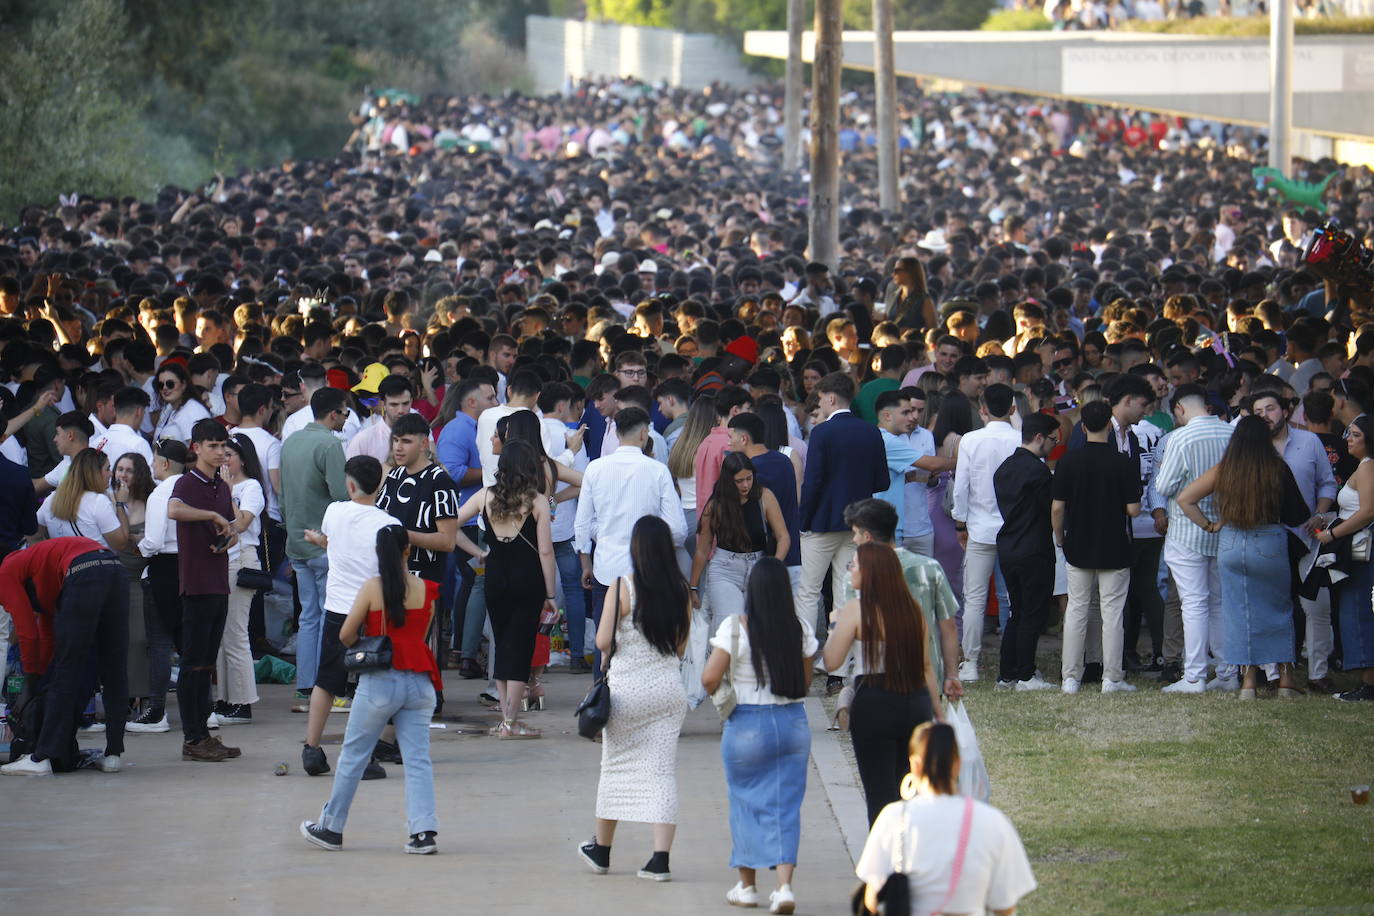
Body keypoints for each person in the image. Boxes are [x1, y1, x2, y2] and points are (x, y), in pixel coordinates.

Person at [300, 525, 441, 854]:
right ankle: (423, 833)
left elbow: (345, 635)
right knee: (418, 759)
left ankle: (331, 827)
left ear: (378, 553)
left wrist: (368, 644)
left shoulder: (371, 589)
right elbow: (423, 636)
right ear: (409, 550)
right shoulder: (427, 589)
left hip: (380, 680)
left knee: (353, 755)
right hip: (420, 680)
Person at [578, 516, 691, 883]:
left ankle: (602, 851)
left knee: (615, 768)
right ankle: (660, 860)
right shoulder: (681, 590)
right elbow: (680, 647)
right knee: (660, 772)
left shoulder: (622, 587)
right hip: (667, 691)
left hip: (627, 692)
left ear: (636, 548)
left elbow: (602, 642)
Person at [701, 558, 814, 915]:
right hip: (792, 722)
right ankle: (783, 888)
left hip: (747, 722)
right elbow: (806, 682)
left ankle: (748, 887)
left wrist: (727, 698)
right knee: (786, 806)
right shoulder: (800, 629)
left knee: (744, 802)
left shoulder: (736, 628)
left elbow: (708, 678)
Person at [1178, 416, 1316, 698]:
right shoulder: (1277, 468)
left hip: (1230, 541)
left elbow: (1185, 499)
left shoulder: (1225, 469)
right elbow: (1298, 515)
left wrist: (1209, 525)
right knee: (1279, 609)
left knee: (1238, 613)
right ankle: (1286, 679)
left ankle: (1248, 683)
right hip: (1269, 543)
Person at [855, 722, 1037, 916]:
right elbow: (1005, 906)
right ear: (957, 764)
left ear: (915, 765)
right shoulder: (993, 821)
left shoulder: (893, 817)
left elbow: (872, 899)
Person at [823, 542, 941, 825]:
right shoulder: (912, 609)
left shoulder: (855, 609)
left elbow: (831, 661)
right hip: (915, 699)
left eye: (855, 564)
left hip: (875, 700)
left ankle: (887, 860)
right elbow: (926, 666)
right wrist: (938, 714)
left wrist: (834, 625)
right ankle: (912, 855)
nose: (850, 569)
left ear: (871, 573)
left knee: (880, 792)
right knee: (910, 787)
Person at [452, 440, 558, 738]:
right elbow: (546, 552)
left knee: (501, 643)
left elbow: (450, 525)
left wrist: (477, 551)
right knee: (521, 646)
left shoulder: (484, 496)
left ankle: (505, 718)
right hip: (529, 578)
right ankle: (511, 721)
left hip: (496, 574)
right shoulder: (537, 501)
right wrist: (550, 595)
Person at [300, 456, 397, 776]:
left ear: (350, 484)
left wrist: (319, 541)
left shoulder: (334, 512)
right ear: (379, 485)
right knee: (369, 685)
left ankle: (312, 749)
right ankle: (362, 755)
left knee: (326, 681)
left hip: (337, 610)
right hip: (372, 614)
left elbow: (337, 545)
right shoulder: (389, 524)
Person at [0, 537, 129, 776]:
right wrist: (39, 676)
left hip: (82, 572)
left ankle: (41, 758)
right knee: (115, 667)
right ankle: (113, 755)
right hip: (115, 568)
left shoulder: (6, 571)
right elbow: (48, 635)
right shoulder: (39, 569)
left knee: (67, 669)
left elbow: (27, 632)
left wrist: (30, 685)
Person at [574, 407, 686, 664]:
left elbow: (582, 524)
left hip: (606, 568)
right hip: (650, 571)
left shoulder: (595, 469)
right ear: (644, 433)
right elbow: (678, 529)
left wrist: (588, 560)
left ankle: (602, 698)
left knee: (606, 643)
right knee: (649, 642)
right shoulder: (657, 470)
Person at [1052, 400, 1143, 694]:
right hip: (1115, 545)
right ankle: (1112, 678)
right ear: (1109, 425)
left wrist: (1059, 536)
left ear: (1082, 426)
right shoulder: (1123, 463)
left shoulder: (1068, 461)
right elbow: (1133, 510)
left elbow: (1057, 508)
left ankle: (1070, 678)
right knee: (1112, 613)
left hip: (1077, 543)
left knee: (1077, 610)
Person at [1154, 386, 1236, 694]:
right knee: (1217, 602)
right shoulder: (1230, 434)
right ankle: (1227, 671)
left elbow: (1163, 484)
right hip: (1224, 526)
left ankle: (1195, 675)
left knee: (1193, 603)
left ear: (1179, 409)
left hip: (1187, 530)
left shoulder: (1180, 438)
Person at [167, 419, 239, 763]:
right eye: (211, 445)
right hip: (195, 583)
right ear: (196, 448)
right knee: (193, 663)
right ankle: (193, 737)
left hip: (218, 580)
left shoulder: (221, 486)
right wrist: (211, 514)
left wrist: (229, 535)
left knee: (205, 663)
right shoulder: (187, 481)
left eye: (222, 445)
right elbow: (173, 509)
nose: (219, 451)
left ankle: (203, 734)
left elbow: (230, 524)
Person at [796, 372, 889, 638]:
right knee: (844, 591)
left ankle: (806, 653)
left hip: (821, 522)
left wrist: (803, 519)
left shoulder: (822, 432)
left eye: (822, 397)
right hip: (857, 522)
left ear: (832, 397)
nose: (820, 401)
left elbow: (812, 482)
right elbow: (882, 481)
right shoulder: (871, 431)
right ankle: (839, 663)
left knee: (809, 590)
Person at [280, 387, 350, 711]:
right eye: (345, 413)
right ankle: (325, 688)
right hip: (323, 542)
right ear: (333, 413)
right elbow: (342, 494)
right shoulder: (330, 444)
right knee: (328, 616)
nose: (346, 418)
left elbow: (281, 495)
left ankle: (305, 686)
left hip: (296, 540)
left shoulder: (291, 441)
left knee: (308, 617)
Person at [950, 384, 1021, 681]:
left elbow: (961, 485)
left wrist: (960, 522)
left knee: (975, 599)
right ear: (1013, 409)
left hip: (979, 528)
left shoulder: (971, 439)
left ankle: (971, 662)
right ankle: (1013, 659)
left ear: (982, 410)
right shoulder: (1020, 438)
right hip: (1014, 527)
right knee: (1012, 598)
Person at [993, 413, 1061, 691]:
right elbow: (1050, 508)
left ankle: (1007, 674)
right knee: (1033, 612)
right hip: (1034, 546)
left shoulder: (1004, 468)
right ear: (1039, 438)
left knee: (1016, 612)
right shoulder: (1039, 471)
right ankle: (1025, 674)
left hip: (1008, 545)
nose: (1054, 445)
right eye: (1053, 440)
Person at [689, 451, 791, 630]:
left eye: (749, 478)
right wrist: (693, 587)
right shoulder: (716, 505)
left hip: (758, 566)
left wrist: (773, 567)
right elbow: (703, 548)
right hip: (725, 568)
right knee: (731, 626)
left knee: (757, 626)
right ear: (729, 481)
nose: (745, 485)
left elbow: (783, 537)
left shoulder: (764, 496)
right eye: (739, 481)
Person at [129, 439, 188, 733]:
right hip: (193, 569)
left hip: (163, 568)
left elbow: (152, 542)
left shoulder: (161, 493)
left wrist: (136, 547)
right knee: (190, 644)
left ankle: (156, 712)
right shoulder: (197, 488)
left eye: (154, 460)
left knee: (160, 644)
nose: (152, 465)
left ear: (164, 463)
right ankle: (204, 710)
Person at [1316, 415, 1374, 701]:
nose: (1348, 439)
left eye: (1355, 434)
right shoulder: (1364, 467)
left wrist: (1333, 535)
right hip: (1357, 548)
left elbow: (1368, 511)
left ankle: (1368, 684)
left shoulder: (1368, 468)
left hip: (1363, 551)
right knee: (1355, 610)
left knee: (1359, 610)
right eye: (1348, 433)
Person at [215, 434, 265, 724]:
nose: (224, 459)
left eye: (229, 454)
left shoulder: (251, 487)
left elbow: (242, 524)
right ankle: (225, 699)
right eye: (222, 453)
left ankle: (242, 703)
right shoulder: (220, 485)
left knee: (235, 634)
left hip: (242, 560)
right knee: (221, 635)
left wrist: (227, 491)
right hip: (222, 561)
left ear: (243, 458)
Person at [111, 452, 154, 723]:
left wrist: (122, 509)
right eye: (119, 470)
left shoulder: (150, 501)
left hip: (140, 577)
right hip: (115, 576)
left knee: (139, 638)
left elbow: (134, 540)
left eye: (128, 470)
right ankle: (121, 696)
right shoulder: (109, 500)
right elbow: (122, 540)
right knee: (116, 640)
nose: (122, 475)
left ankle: (144, 695)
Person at [35, 448, 129, 550]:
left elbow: (34, 533)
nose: (111, 474)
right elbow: (121, 544)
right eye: (107, 469)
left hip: (62, 563)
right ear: (94, 473)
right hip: (95, 563)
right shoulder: (98, 502)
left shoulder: (52, 499)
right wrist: (120, 503)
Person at [152, 361, 211, 443]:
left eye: (170, 384)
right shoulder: (168, 409)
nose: (165, 388)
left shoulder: (193, 410)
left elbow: (197, 447)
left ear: (183, 384)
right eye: (161, 385)